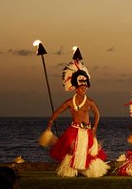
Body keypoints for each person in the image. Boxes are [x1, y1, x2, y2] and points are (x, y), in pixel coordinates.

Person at [44, 48, 109, 177]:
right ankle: (70, 170)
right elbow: (59, 110)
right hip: (74, 129)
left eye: (85, 87)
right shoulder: (70, 102)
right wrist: (51, 120)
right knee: (72, 148)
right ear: (76, 88)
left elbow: (97, 114)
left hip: (87, 130)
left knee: (87, 150)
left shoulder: (89, 101)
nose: (84, 89)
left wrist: (95, 127)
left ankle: (84, 170)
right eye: (81, 87)